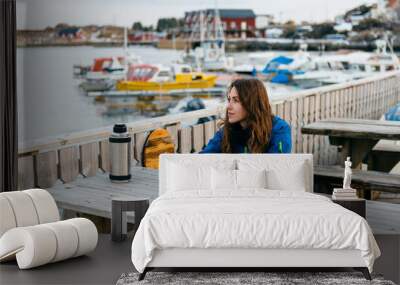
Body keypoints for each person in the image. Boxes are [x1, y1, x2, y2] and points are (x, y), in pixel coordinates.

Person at [200, 78, 291, 153]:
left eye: (236, 100)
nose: (228, 106)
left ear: (252, 103)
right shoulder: (226, 131)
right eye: (229, 100)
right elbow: (204, 158)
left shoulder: (279, 129)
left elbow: (277, 166)